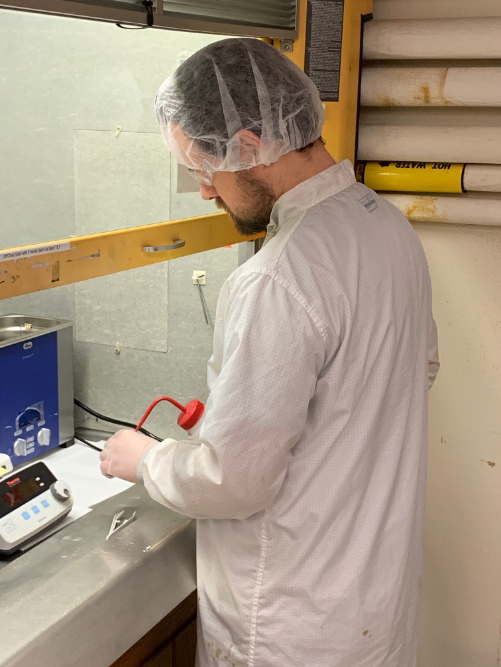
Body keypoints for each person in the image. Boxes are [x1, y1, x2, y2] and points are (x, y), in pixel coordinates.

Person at [100, 38, 440, 667]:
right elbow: (414, 372)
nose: (205, 191)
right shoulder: (385, 226)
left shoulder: (276, 279)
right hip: (374, 609)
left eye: (206, 168)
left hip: (290, 626)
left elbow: (235, 482)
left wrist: (145, 459)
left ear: (251, 146)